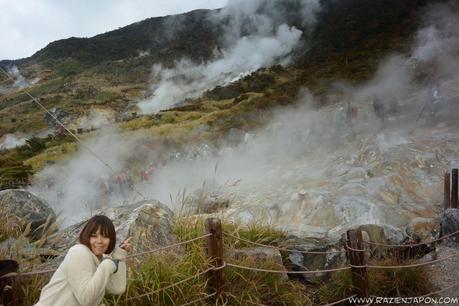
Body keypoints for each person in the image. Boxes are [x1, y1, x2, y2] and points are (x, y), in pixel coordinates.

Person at [36, 215, 132, 306]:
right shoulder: (79, 252)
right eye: (94, 236)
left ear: (111, 240)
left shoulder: (99, 259)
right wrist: (107, 265)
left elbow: (117, 288)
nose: (99, 241)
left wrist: (119, 256)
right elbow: (86, 299)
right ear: (87, 236)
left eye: (105, 236)